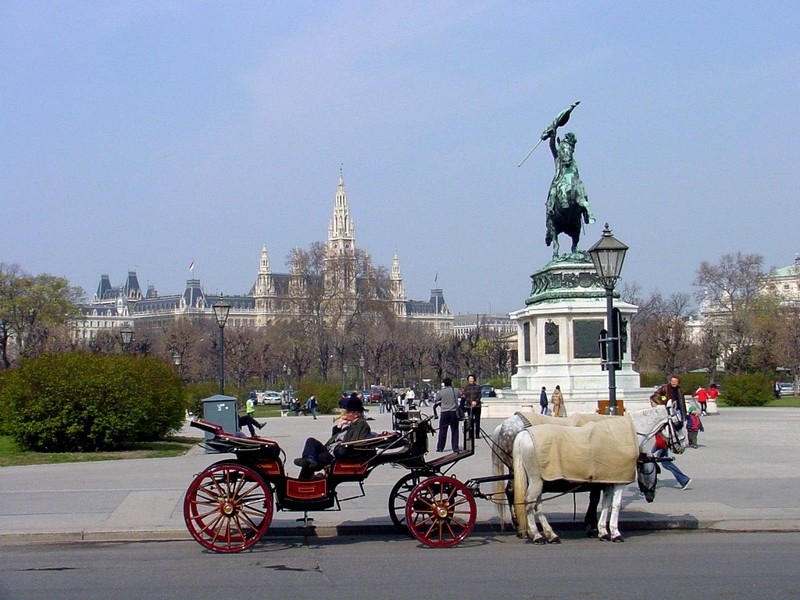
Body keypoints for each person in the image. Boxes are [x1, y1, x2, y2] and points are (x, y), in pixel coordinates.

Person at [294, 393, 371, 479]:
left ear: (356, 414)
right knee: (311, 442)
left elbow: (355, 442)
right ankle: (309, 459)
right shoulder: (352, 423)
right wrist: (339, 426)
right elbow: (334, 439)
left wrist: (341, 445)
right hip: (331, 450)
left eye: (348, 412)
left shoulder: (361, 424)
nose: (345, 414)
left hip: (338, 455)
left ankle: (303, 480)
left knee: (314, 458)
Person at [435, 378, 460, 453]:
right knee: (455, 430)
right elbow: (460, 396)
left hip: (444, 412)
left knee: (443, 430)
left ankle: (440, 447)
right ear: (451, 383)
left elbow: (437, 399)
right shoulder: (456, 390)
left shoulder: (442, 391)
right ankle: (455, 447)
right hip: (454, 412)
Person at [461, 374, 482, 439]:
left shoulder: (478, 387)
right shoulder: (466, 388)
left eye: (472, 379)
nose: (471, 380)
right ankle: (470, 433)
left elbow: (479, 395)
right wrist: (471, 402)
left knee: (477, 420)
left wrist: (475, 402)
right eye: (469, 379)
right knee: (470, 420)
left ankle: (477, 434)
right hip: (469, 406)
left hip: (477, 405)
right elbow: (466, 397)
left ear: (474, 379)